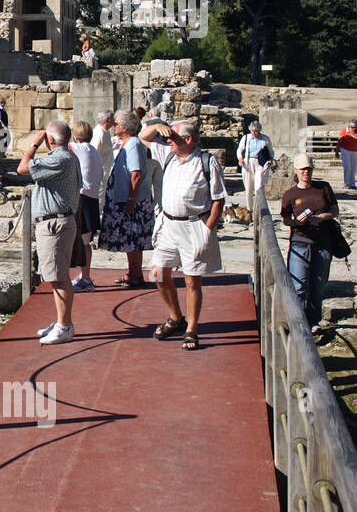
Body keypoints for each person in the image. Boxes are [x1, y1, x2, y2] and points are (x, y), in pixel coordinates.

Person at [140, 118, 227, 351]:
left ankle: (192, 329)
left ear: (188, 140)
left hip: (193, 226)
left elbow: (218, 199)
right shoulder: (169, 155)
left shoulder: (206, 162)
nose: (168, 141)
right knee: (158, 274)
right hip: (168, 224)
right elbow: (143, 137)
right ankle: (176, 316)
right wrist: (158, 127)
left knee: (191, 280)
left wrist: (207, 229)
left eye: (173, 138)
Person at [18, 120, 82, 345]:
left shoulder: (59, 158)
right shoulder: (70, 156)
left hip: (55, 225)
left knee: (58, 278)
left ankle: (65, 326)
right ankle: (61, 321)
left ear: (51, 139)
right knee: (57, 276)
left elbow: (23, 168)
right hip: (58, 221)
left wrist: (33, 145)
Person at [281, 153, 344, 333]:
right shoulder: (290, 194)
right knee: (299, 286)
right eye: (303, 169)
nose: (306, 172)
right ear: (296, 171)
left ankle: (313, 321)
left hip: (323, 243)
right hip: (300, 243)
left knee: (317, 285)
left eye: (308, 169)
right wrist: (297, 221)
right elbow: (285, 218)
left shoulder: (323, 188)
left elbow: (335, 209)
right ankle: (298, 323)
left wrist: (323, 216)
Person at [97, 111, 155, 287]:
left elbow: (136, 174)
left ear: (125, 127)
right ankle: (132, 272)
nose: (113, 126)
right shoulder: (126, 144)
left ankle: (136, 274)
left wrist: (131, 199)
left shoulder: (134, 144)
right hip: (123, 199)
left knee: (134, 238)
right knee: (130, 238)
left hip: (132, 201)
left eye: (116, 124)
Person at [69, 122, 103, 292]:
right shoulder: (94, 151)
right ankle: (85, 275)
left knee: (80, 241)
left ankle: (86, 278)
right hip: (92, 198)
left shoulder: (77, 148)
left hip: (82, 198)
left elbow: (57, 143)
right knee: (86, 240)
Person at [237, 120, 274, 207]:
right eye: (252, 131)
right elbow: (240, 150)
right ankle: (250, 208)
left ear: (259, 131)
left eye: (256, 131)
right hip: (248, 162)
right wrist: (240, 158)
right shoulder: (246, 138)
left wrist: (271, 159)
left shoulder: (265, 139)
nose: (254, 133)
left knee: (259, 187)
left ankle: (259, 208)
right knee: (248, 187)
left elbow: (271, 151)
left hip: (260, 163)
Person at [91, 111, 115, 176]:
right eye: (113, 119)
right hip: (101, 171)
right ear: (107, 120)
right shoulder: (99, 133)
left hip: (107, 169)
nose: (114, 121)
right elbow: (94, 152)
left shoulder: (105, 131)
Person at [337, 119, 357, 189]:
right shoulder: (344, 131)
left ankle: (352, 184)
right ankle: (346, 183)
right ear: (350, 127)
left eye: (355, 127)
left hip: (354, 150)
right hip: (345, 149)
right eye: (353, 127)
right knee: (347, 166)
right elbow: (339, 141)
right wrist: (337, 151)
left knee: (353, 168)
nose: (354, 129)